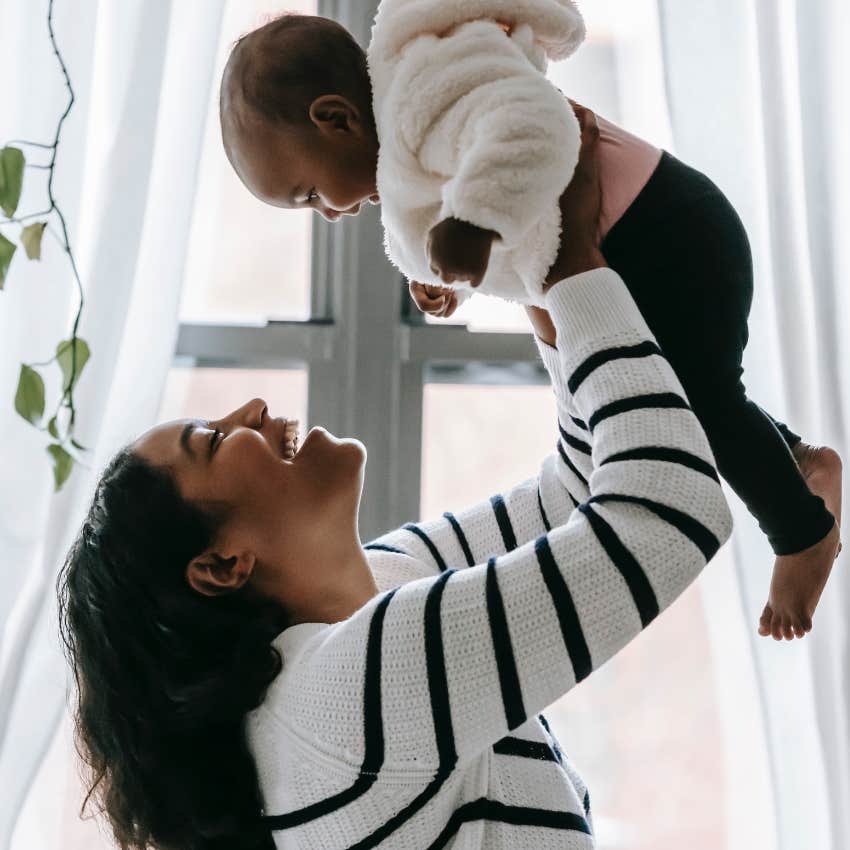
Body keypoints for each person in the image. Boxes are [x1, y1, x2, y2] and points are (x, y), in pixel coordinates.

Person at [58, 106, 732, 850]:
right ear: (222, 564)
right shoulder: (342, 699)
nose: (250, 407)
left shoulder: (379, 584)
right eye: (213, 440)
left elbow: (574, 490)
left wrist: (540, 284)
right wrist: (576, 264)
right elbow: (670, 512)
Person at [217, 8, 842, 642]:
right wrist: (452, 268)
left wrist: (471, 224)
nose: (326, 215)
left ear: (337, 119)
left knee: (695, 405)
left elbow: (532, 129)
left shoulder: (425, 89)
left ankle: (801, 533)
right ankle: (796, 461)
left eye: (309, 194)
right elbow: (503, 216)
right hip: (641, 245)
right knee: (691, 396)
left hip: (670, 233)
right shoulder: (403, 144)